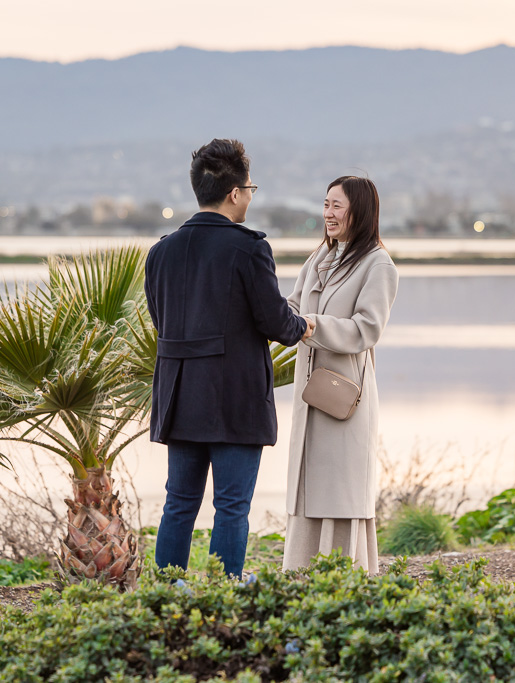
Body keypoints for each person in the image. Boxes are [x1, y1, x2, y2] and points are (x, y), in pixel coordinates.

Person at [144, 138, 313, 578]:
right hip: (234, 397)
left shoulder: (160, 251)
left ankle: (166, 593)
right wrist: (304, 327)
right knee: (231, 506)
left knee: (178, 502)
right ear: (235, 193)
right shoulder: (249, 248)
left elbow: (160, 319)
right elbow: (276, 322)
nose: (250, 197)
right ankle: (224, 590)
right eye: (251, 189)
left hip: (178, 394)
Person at [282, 175, 399, 573]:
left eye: (337, 206)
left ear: (359, 211)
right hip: (310, 395)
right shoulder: (320, 257)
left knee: (341, 492)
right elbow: (292, 308)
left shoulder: (378, 264)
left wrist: (312, 326)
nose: (327, 214)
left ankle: (346, 581)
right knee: (308, 489)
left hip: (345, 396)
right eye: (325, 204)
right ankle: (301, 578)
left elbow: (367, 328)